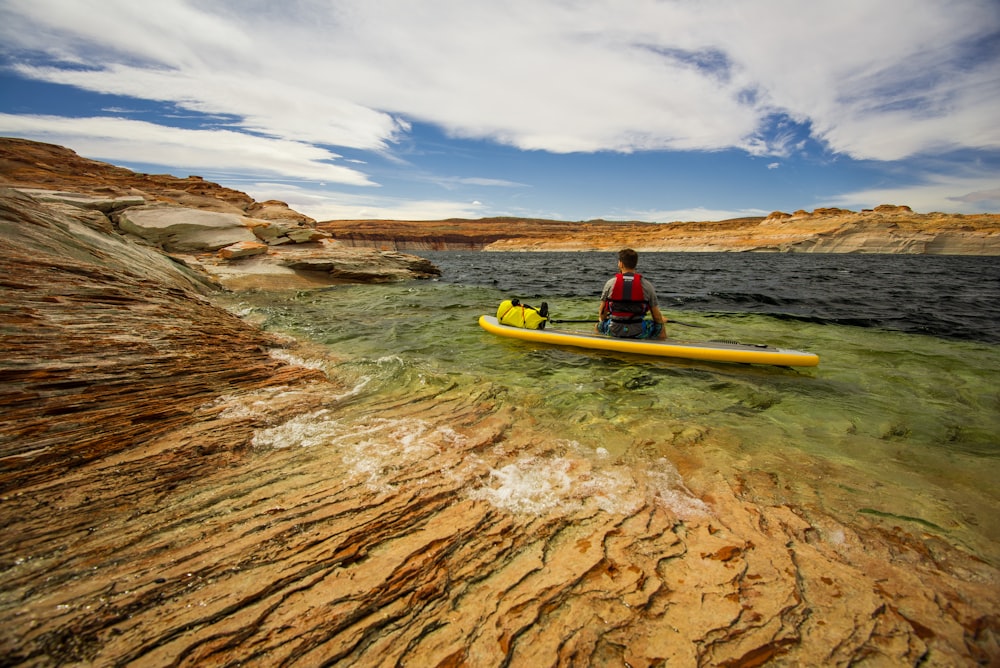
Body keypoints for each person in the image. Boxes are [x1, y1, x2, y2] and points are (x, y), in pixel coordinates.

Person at [597, 248, 667, 340]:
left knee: (598, 325)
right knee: (660, 327)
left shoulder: (610, 284)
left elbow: (602, 315)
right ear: (635, 264)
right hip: (638, 332)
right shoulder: (647, 285)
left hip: (614, 330)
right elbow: (657, 317)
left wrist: (602, 320)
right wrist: (662, 320)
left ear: (621, 264)